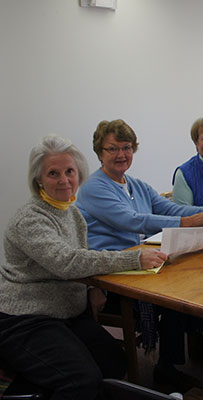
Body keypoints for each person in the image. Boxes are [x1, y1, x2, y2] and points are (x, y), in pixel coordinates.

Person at [0, 135, 167, 399]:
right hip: (28, 319)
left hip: (67, 313)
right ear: (38, 180)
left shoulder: (71, 212)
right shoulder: (30, 219)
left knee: (113, 362)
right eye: (53, 173)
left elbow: (83, 254)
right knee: (80, 379)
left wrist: (92, 289)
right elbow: (67, 262)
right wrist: (133, 259)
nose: (64, 180)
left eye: (70, 171)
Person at [76, 119, 203, 392]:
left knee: (196, 280)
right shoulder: (94, 187)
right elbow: (132, 221)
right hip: (111, 273)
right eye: (112, 149)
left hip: (141, 261)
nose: (121, 155)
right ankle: (166, 370)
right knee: (176, 294)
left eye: (127, 148)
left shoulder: (135, 185)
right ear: (99, 152)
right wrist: (188, 223)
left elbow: (170, 208)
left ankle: (178, 360)